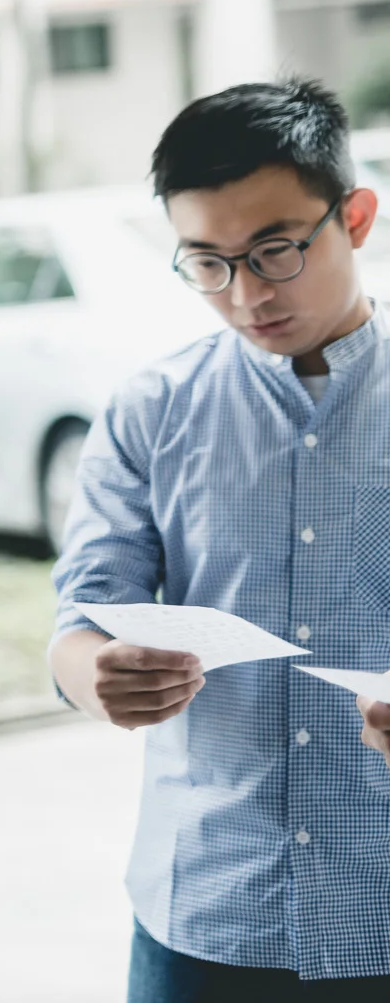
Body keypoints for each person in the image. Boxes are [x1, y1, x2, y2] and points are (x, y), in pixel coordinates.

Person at [50, 80, 390, 1000]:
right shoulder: (151, 411)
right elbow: (81, 618)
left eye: (275, 251)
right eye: (208, 262)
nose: (246, 293)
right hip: (210, 909)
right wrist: (96, 674)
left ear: (355, 217)